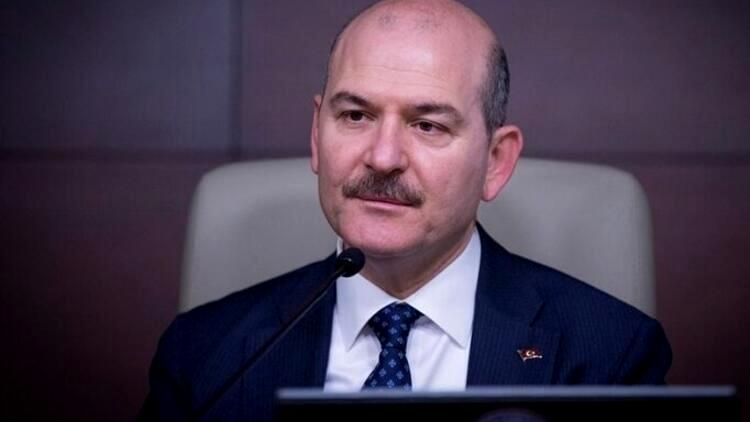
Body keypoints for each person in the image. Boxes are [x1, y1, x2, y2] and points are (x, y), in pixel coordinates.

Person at [139, 0, 672, 420]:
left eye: (428, 125)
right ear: (317, 137)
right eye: (355, 115)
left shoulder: (610, 355)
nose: (383, 157)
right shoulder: (203, 354)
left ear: (495, 161)